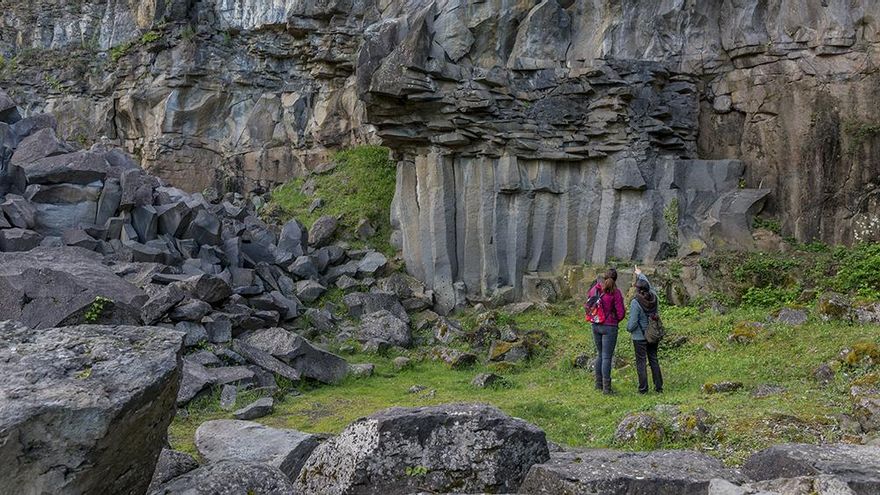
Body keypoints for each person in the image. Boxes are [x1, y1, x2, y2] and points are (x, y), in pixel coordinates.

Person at [626, 265, 663, 394]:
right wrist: (640, 274)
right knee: (653, 359)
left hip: (639, 337)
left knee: (641, 363)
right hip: (652, 334)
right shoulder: (654, 298)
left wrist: (628, 328)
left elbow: (632, 324)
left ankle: (643, 389)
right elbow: (649, 286)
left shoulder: (636, 302)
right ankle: (659, 387)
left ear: (638, 290)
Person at [588, 268, 625, 394]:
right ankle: (607, 389)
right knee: (607, 357)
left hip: (595, 324)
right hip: (609, 327)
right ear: (615, 279)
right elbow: (621, 313)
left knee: (600, 354)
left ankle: (598, 384)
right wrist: (614, 320)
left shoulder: (594, 289)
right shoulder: (615, 292)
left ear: (604, 277)